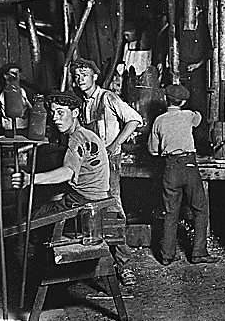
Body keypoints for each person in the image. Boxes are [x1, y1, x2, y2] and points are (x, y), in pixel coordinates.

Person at [71, 58, 143, 286]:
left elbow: (134, 119)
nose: (80, 79)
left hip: (109, 162)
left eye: (84, 74)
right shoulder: (82, 104)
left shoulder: (108, 98)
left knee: (112, 208)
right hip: (91, 163)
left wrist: (116, 144)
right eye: (77, 76)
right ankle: (99, 265)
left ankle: (124, 265)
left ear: (95, 77)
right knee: (91, 208)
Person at [148, 84, 219, 266]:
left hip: (170, 167)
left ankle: (167, 256)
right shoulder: (188, 115)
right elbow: (199, 118)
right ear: (183, 102)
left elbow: (153, 150)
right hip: (189, 165)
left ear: (166, 100)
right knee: (200, 209)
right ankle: (198, 253)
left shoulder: (158, 120)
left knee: (170, 212)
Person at [178, 5, 213, 153]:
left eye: (197, 9)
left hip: (199, 71)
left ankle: (201, 143)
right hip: (184, 69)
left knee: (199, 106)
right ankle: (184, 142)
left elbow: (209, 51)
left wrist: (198, 65)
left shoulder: (203, 27)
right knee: (184, 105)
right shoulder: (181, 24)